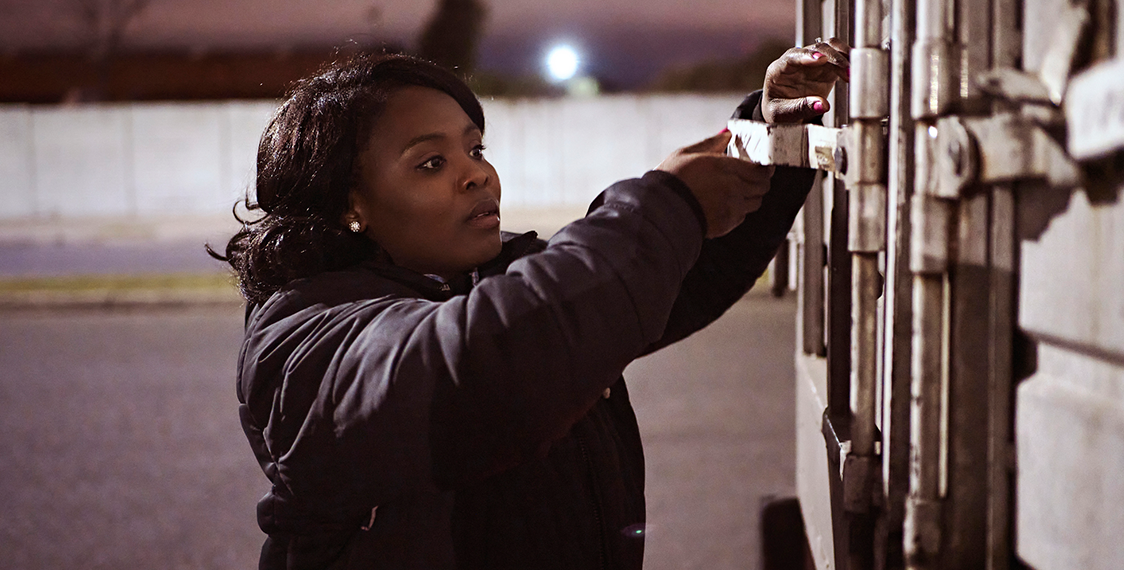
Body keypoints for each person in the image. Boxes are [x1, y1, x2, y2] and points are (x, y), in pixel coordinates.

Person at [211, 39, 849, 570]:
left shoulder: (493, 283)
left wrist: (774, 135)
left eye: (476, 149)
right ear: (350, 204)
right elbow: (484, 364)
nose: (477, 174)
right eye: (432, 162)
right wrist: (664, 209)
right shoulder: (301, 342)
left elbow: (658, 280)